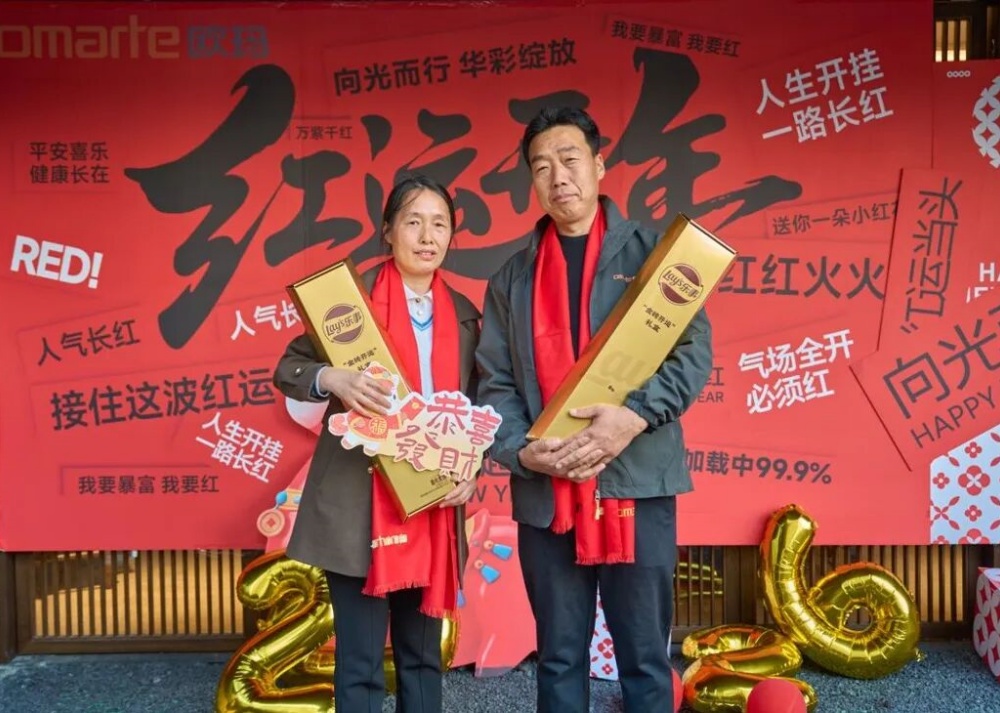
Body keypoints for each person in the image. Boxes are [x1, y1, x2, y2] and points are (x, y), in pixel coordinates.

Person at [475, 106, 713, 712]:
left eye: (570, 159)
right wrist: (522, 451)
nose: (558, 177)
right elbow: (494, 382)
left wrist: (632, 418)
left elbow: (691, 354)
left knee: (645, 657)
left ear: (600, 165)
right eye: (542, 167)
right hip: (546, 491)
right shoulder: (512, 279)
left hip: (637, 482)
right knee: (558, 657)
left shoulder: (655, 256)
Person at [272, 174, 482, 713]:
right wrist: (332, 378)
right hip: (358, 503)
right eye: (413, 222)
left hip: (431, 499)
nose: (427, 236)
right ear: (387, 231)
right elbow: (289, 368)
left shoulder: (465, 314)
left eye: (440, 224)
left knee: (422, 657)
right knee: (361, 661)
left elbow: (481, 408)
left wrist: (472, 466)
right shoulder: (351, 303)